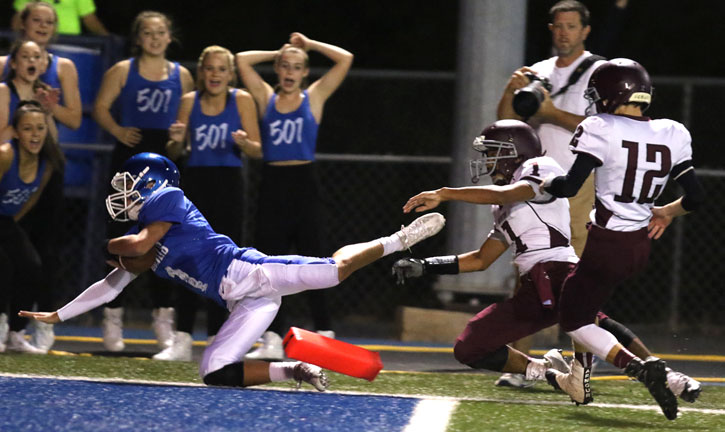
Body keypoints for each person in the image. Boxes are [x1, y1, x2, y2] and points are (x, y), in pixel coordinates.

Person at [19, 152, 445, 391]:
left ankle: (397, 240)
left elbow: (135, 247)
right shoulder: (145, 229)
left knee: (336, 270)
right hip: (241, 300)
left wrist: (110, 244)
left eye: (129, 181)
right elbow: (111, 286)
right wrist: (59, 315)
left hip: (252, 272)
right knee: (215, 372)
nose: (123, 191)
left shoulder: (168, 201)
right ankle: (294, 369)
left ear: (151, 181)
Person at [393, 120, 699, 402]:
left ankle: (663, 375)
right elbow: (481, 259)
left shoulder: (539, 166)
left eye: (492, 153)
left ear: (514, 152)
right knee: (470, 348)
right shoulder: (502, 205)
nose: (487, 161)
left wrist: (445, 193)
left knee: (592, 320)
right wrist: (427, 264)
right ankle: (547, 371)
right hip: (532, 287)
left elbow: (510, 193)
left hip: (557, 269)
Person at [540, 58, 705, 420]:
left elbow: (569, 187)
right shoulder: (672, 131)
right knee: (587, 313)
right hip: (640, 244)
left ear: (613, 94)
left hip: (606, 243)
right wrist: (665, 212)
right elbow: (695, 197)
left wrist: (544, 184)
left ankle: (642, 368)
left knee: (574, 321)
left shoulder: (600, 126)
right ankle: (669, 379)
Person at [495, 0, 608, 388]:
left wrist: (550, 113)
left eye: (571, 26)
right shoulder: (538, 71)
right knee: (529, 274)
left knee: (577, 279)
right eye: (558, 26)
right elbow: (504, 123)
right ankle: (524, 367)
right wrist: (512, 91)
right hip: (537, 185)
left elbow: (603, 127)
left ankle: (585, 366)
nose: (564, 32)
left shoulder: (598, 71)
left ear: (585, 31)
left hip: (576, 186)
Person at [236, 32, 353, 359]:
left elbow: (345, 59)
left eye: (297, 67)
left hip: (304, 184)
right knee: (268, 264)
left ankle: (324, 332)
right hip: (272, 183)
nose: (289, 72)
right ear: (278, 68)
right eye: (284, 66)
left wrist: (310, 45)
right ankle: (273, 336)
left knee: (315, 260)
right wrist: (280, 50)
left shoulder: (313, 98)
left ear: (305, 73)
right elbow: (241, 59)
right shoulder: (265, 97)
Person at [92, 10, 194, 354]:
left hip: (165, 165)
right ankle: (112, 316)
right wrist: (118, 130)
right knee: (122, 239)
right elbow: (101, 107)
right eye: (148, 33)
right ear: (139, 38)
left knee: (165, 242)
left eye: (161, 32)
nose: (154, 38)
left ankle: (163, 319)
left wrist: (180, 141)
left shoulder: (182, 76)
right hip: (129, 163)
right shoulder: (123, 70)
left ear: (170, 37)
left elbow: (184, 128)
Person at [160, 45, 262, 361]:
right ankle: (182, 338)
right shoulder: (189, 101)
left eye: (221, 69)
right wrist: (175, 141)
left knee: (224, 261)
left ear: (230, 74)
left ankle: (219, 337)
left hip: (229, 183)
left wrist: (246, 144)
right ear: (201, 72)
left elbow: (258, 150)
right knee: (187, 256)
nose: (214, 74)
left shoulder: (241, 100)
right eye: (209, 68)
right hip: (197, 182)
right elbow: (174, 153)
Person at [1, 1, 82, 353]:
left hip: (43, 172)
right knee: (11, 256)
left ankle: (35, 326)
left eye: (50, 22)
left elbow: (74, 120)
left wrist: (48, 108)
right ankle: (8, 324)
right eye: (37, 20)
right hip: (10, 172)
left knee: (43, 254)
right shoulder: (5, 75)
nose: (44, 26)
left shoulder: (62, 68)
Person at [0, 101, 65, 354]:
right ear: (16, 132)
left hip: (6, 220)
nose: (35, 134)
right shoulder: (5, 154)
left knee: (32, 267)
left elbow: (30, 200)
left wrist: (10, 224)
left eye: (40, 128)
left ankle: (17, 333)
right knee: (3, 266)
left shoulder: (47, 164)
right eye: (27, 129)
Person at [11, 0, 109, 36]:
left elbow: (89, 19)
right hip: (36, 44)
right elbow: (18, 20)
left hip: (69, 44)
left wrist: (108, 39)